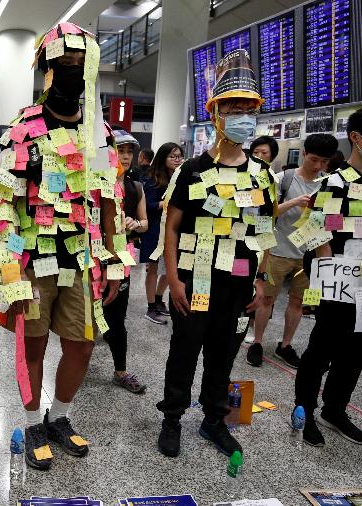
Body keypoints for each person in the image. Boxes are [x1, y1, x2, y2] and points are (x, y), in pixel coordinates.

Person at [0, 23, 122, 471]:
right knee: (33, 347)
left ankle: (59, 416)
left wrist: (115, 259)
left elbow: (109, 200)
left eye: (81, 66)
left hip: (84, 263)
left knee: (82, 344)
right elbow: (2, 202)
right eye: (63, 64)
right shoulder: (24, 127)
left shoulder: (98, 132)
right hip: (33, 261)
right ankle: (32, 423)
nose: (72, 73)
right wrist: (9, 267)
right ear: (46, 69)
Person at [156, 49, 275, 458]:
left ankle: (213, 420)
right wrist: (172, 280)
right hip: (194, 278)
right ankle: (172, 417)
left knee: (223, 354)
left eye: (249, 108)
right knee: (185, 351)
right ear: (216, 114)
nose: (243, 116)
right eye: (233, 108)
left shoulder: (261, 174)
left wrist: (259, 280)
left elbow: (263, 230)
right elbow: (171, 228)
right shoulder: (189, 170)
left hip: (238, 280)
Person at [292, 106, 362, 448]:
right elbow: (316, 231)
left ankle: (335, 409)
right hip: (341, 283)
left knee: (358, 354)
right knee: (321, 351)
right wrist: (328, 276)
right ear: (356, 137)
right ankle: (305, 410)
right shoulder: (334, 183)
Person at [247, 134, 338, 368]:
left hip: (309, 254)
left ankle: (285, 345)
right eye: (314, 159)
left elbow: (335, 223)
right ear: (304, 153)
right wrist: (295, 202)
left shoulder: (329, 184)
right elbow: (264, 213)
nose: (318, 166)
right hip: (276, 250)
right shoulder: (282, 179)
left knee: (298, 302)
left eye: (324, 162)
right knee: (266, 299)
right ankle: (257, 342)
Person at [103, 130, 148, 394]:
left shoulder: (135, 188)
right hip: (94, 255)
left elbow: (145, 224)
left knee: (117, 316)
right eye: (121, 151)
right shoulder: (95, 185)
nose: (126, 156)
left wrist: (135, 223)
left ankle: (121, 370)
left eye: (130, 152)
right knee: (88, 311)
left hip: (122, 256)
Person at [139, 143, 183, 324]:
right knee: (154, 269)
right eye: (173, 156)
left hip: (174, 229)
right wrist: (166, 203)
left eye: (179, 156)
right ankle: (150, 307)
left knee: (171, 268)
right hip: (155, 230)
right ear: (163, 157)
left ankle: (158, 299)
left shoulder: (181, 177)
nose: (177, 160)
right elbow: (147, 205)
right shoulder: (152, 178)